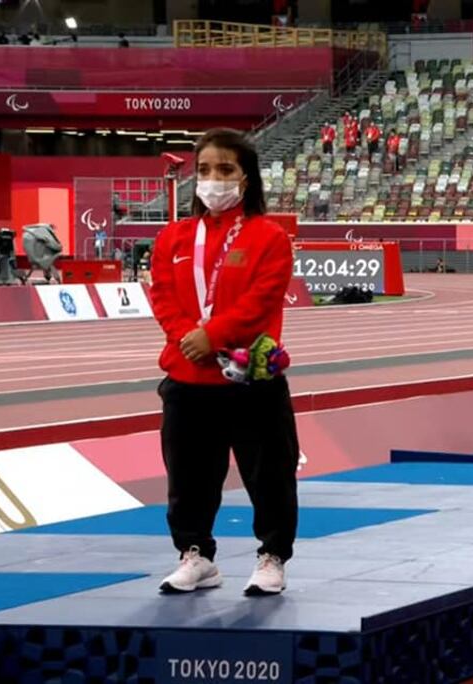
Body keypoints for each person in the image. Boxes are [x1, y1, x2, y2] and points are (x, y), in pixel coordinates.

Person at [148, 128, 299, 595]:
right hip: (188, 377)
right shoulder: (173, 236)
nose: (214, 180)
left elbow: (261, 299)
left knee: (269, 473)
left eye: (226, 170)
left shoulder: (268, 237)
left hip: (250, 381)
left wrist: (211, 334)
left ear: (246, 178)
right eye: (206, 170)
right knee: (188, 476)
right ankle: (196, 555)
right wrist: (187, 339)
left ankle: (272, 556)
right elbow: (161, 295)